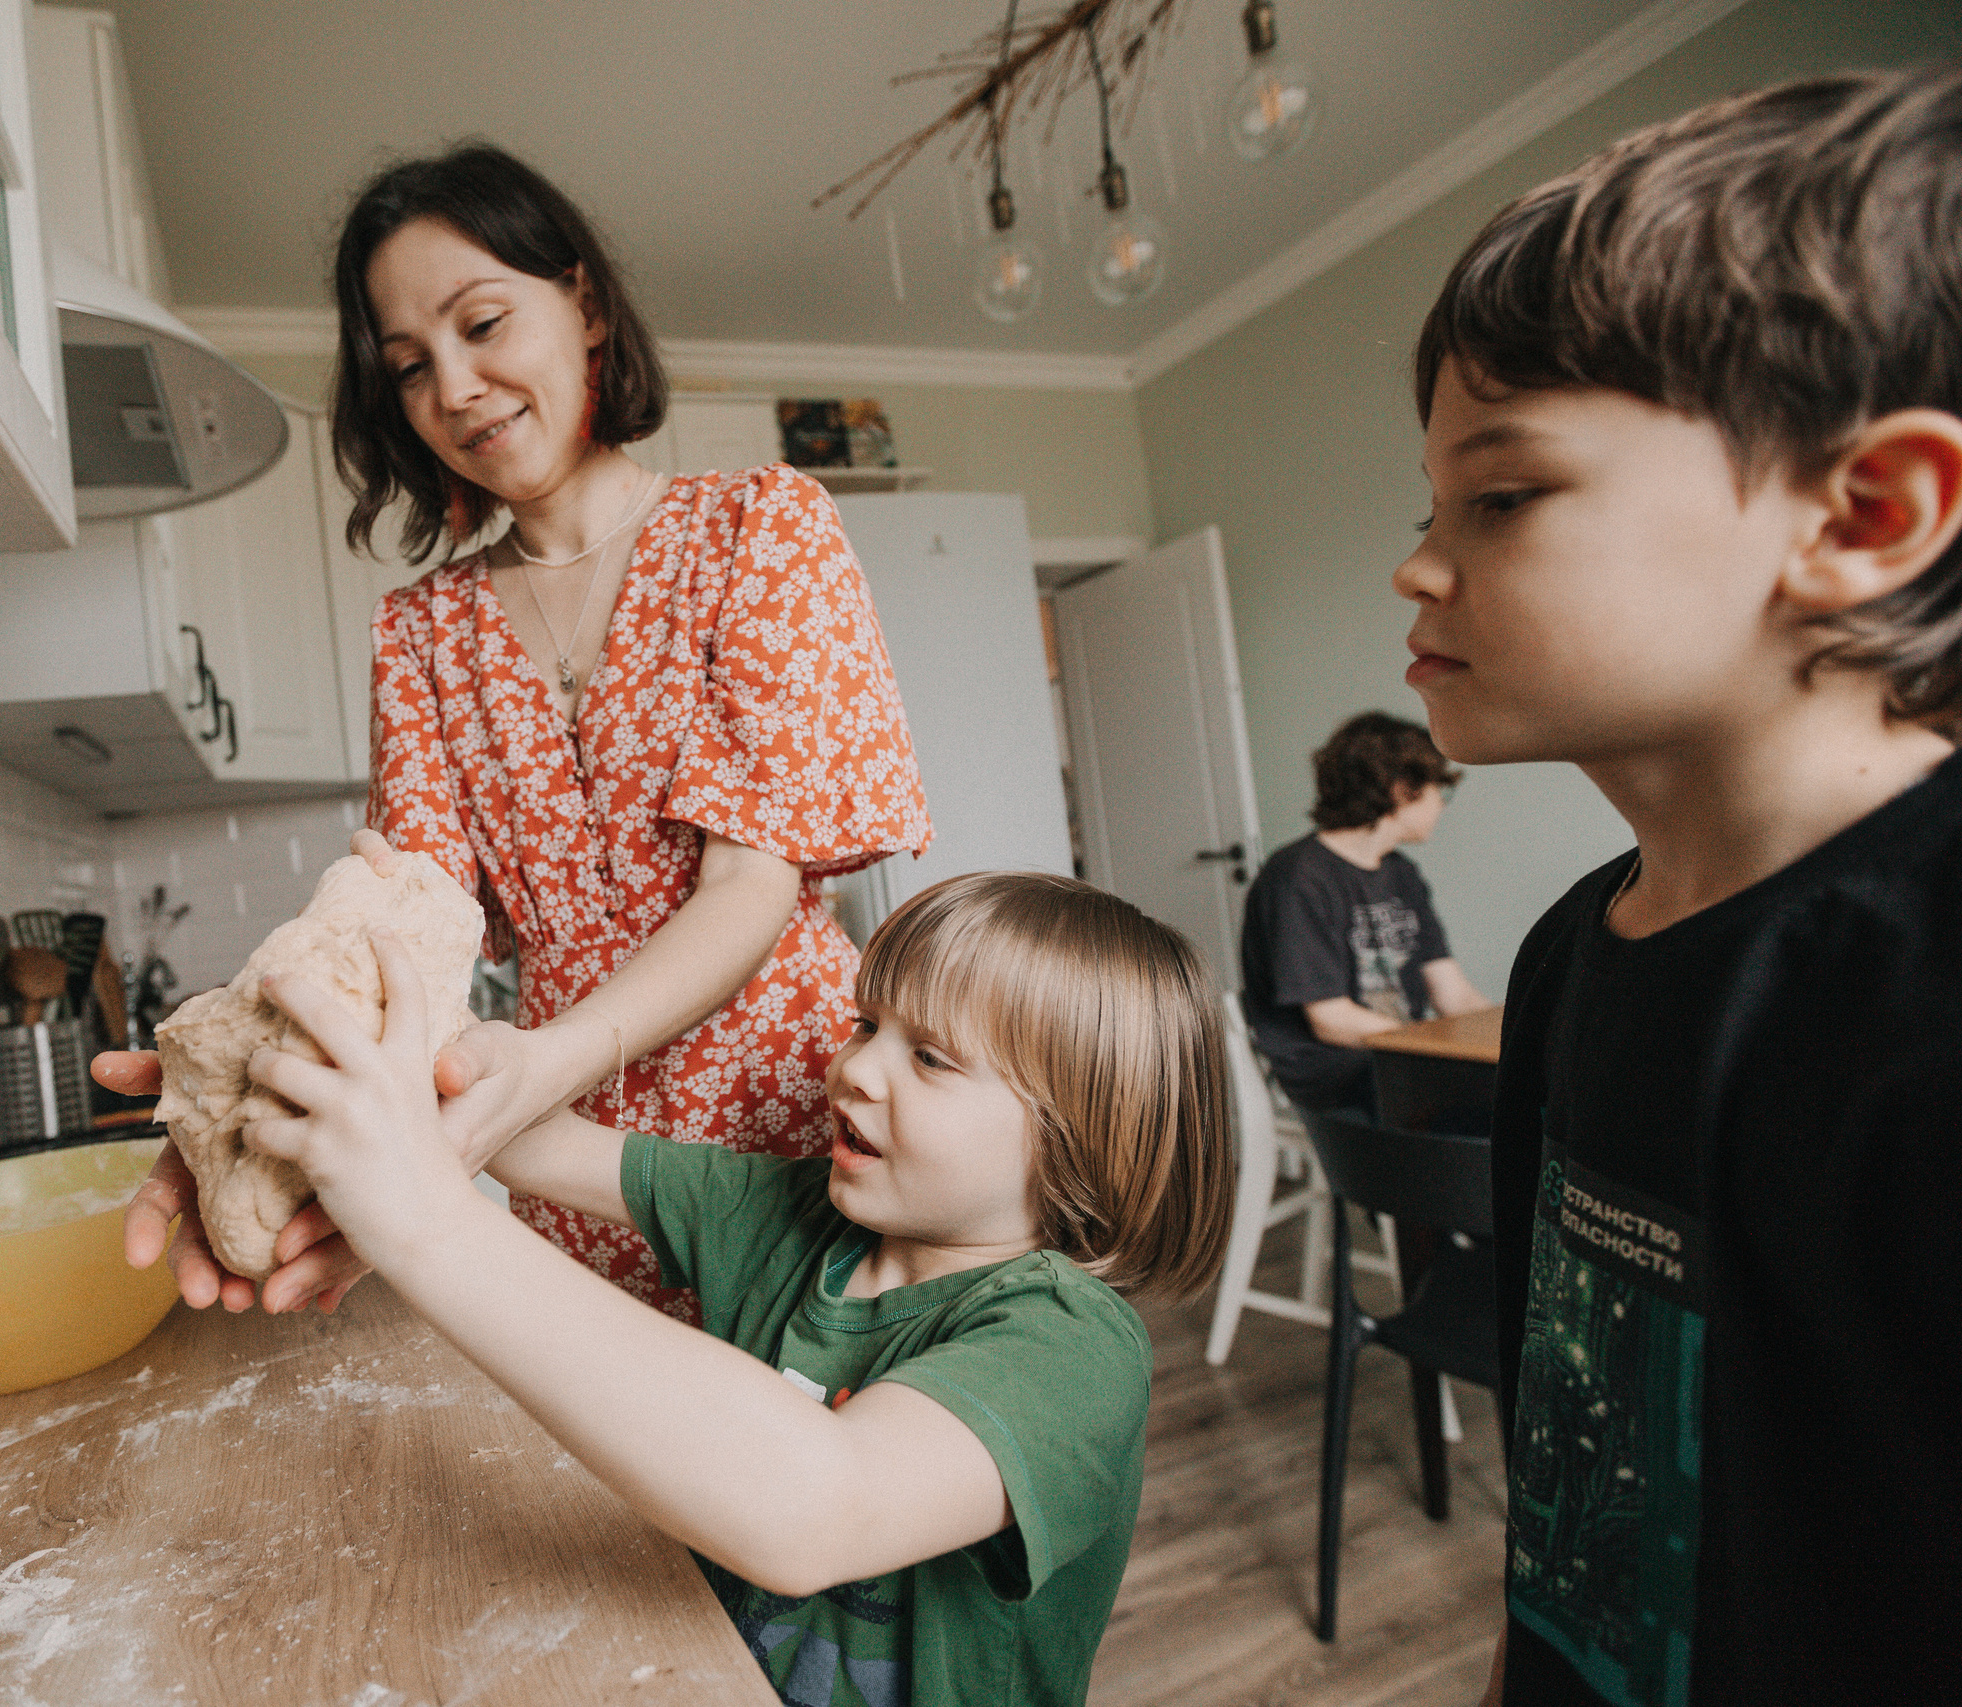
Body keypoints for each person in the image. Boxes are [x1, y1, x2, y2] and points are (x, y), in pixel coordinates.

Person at [118, 143, 929, 1323]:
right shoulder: (420, 634)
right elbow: (407, 928)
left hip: (800, 1135)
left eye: (483, 323)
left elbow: (750, 884)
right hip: (567, 1167)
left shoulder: (757, 528)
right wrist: (251, 1082)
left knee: (821, 1425)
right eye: (409, 366)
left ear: (584, 305)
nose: (454, 388)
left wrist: (545, 1063)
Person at [1397, 66, 1962, 1706]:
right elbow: (1573, 1454)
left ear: (1863, 513)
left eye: (1503, 495)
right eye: (1431, 504)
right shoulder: (1571, 953)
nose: (1417, 562)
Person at [220, 871, 1231, 1704]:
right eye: (867, 1024)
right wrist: (404, 1063)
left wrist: (426, 1221)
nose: (855, 1070)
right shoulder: (793, 1214)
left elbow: (816, 1510)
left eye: (929, 1058)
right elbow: (525, 1137)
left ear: (1078, 1142)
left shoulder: (1074, 1349)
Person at [1237, 711, 1489, 1117]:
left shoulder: (1402, 873)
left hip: (1397, 1055)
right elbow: (1331, 1021)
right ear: (1402, 789)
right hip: (1333, 1073)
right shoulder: (1297, 878)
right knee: (1487, 1105)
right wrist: (1433, 1048)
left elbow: (1453, 995)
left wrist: (1517, 1040)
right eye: (1438, 790)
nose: (1441, 806)